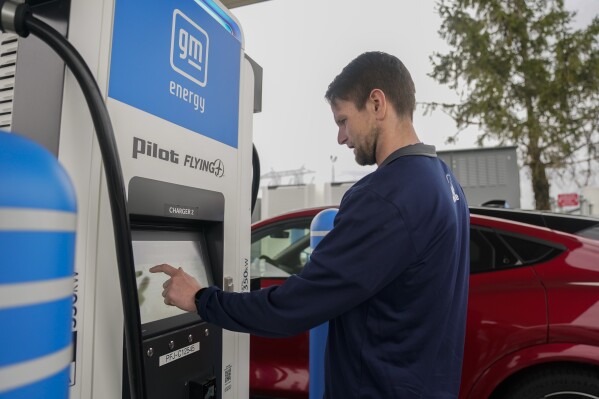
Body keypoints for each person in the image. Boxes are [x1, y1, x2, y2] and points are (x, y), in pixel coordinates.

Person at [151, 51, 470, 398]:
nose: (341, 138)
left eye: (343, 120)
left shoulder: (387, 197)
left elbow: (293, 307)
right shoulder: (445, 181)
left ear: (377, 104)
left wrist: (200, 299)